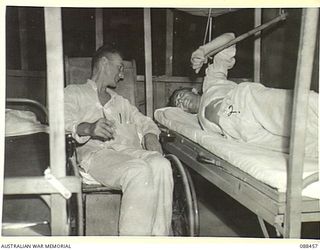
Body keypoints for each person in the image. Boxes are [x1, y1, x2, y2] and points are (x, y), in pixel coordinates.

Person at [64, 45, 173, 236]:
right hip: (96, 155)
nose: (122, 75)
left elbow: (144, 121)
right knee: (138, 171)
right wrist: (88, 128)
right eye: (119, 67)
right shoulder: (74, 93)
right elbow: (60, 121)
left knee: (161, 164)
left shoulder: (120, 101)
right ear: (104, 63)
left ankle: (160, 238)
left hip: (126, 152)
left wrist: (150, 135)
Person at [171, 33, 318, 158]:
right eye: (179, 104)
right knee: (304, 146)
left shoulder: (211, 81)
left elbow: (230, 38)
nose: (182, 101)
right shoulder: (202, 125)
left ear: (193, 91)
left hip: (247, 102)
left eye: (181, 95)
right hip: (244, 133)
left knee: (301, 106)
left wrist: (202, 51)